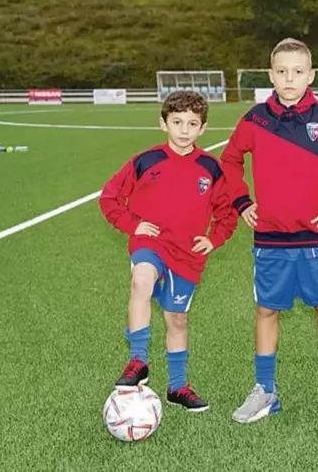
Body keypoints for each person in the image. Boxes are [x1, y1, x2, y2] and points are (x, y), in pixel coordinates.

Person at [223, 38, 318, 424]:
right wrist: (242, 201)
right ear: (270, 75)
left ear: (311, 76)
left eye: (297, 71)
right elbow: (230, 159)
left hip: (315, 240)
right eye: (281, 71)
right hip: (270, 238)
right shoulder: (256, 119)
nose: (289, 79)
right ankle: (265, 390)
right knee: (266, 310)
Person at [98, 90, 238, 412]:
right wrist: (133, 225)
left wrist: (214, 238)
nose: (184, 130)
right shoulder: (146, 161)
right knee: (141, 281)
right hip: (152, 242)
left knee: (177, 319)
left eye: (192, 123)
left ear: (203, 128)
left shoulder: (210, 168)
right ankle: (138, 360)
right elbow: (109, 198)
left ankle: (177, 387)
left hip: (187, 253)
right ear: (163, 124)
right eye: (177, 122)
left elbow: (227, 212)